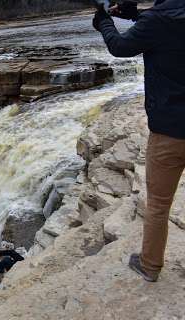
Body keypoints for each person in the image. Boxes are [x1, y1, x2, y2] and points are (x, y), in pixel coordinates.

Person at [93, 0, 185, 282]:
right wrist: (137, 15)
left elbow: (119, 47)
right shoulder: (156, 19)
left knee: (158, 203)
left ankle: (150, 265)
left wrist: (103, 21)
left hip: (170, 131)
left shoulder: (156, 20)